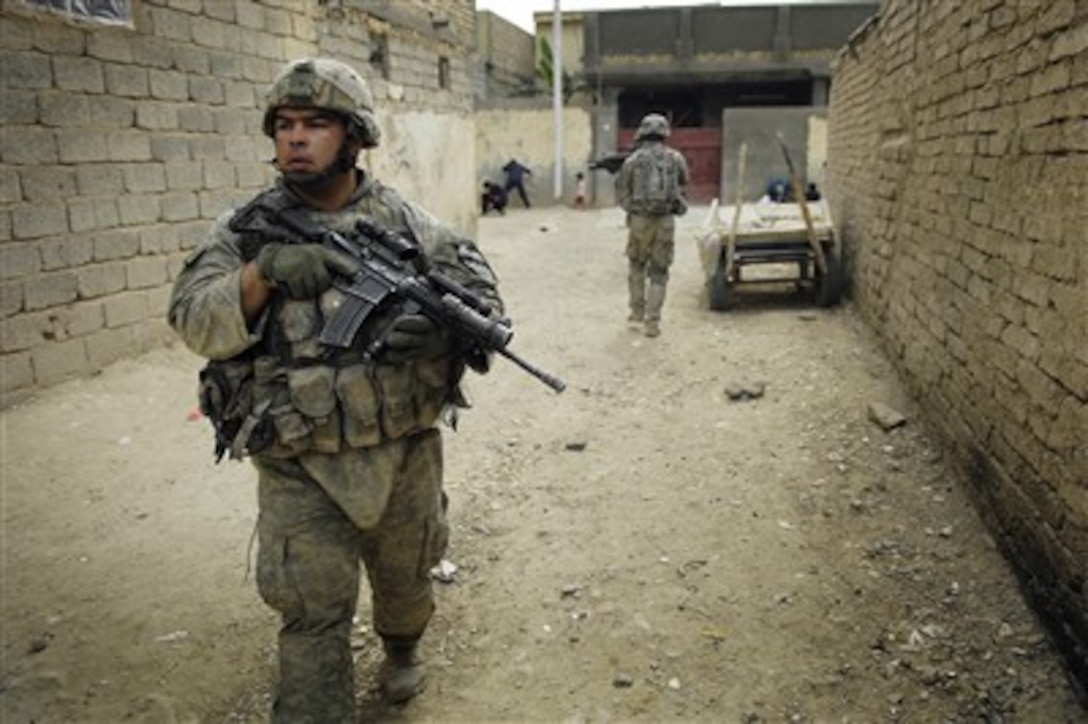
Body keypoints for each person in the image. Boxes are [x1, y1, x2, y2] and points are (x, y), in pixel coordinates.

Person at [168, 57, 503, 722]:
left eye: (315, 124)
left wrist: (443, 334)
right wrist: (261, 274)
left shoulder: (410, 225)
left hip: (403, 449)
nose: (294, 138)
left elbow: (481, 298)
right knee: (310, 610)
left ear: (353, 138)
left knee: (407, 583)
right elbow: (194, 320)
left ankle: (403, 648)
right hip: (299, 460)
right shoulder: (244, 231)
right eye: (284, 125)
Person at [616, 113, 689, 338]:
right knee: (659, 272)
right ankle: (652, 323)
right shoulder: (676, 158)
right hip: (665, 222)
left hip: (639, 222)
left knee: (637, 266)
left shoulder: (632, 161)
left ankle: (637, 314)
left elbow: (622, 192)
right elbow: (684, 183)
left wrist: (635, 210)